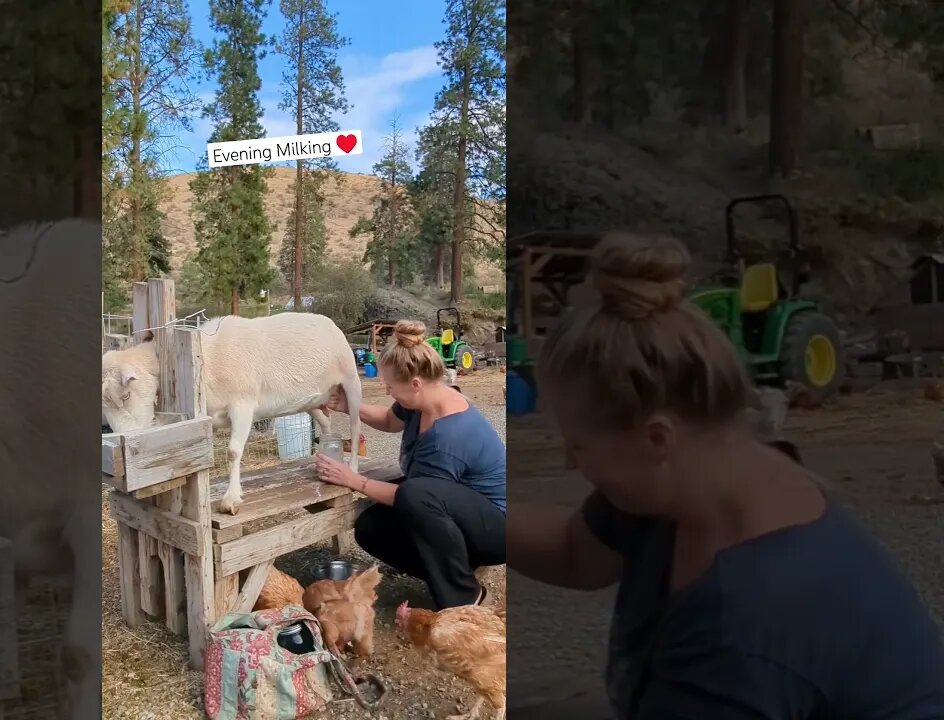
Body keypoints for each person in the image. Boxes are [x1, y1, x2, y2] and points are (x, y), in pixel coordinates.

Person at [506, 232, 944, 718]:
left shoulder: (739, 623)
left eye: (579, 444)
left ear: (655, 438)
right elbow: (575, 552)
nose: (572, 463)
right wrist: (479, 514)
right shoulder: (689, 479)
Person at [314, 319, 506, 609]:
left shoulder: (447, 435)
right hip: (459, 510)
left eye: (389, 386)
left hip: (497, 530)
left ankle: (466, 598)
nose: (387, 390)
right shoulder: (422, 399)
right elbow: (391, 421)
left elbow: (415, 497)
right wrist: (351, 406)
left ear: (415, 383)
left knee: (414, 496)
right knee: (371, 526)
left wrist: (354, 480)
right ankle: (455, 570)